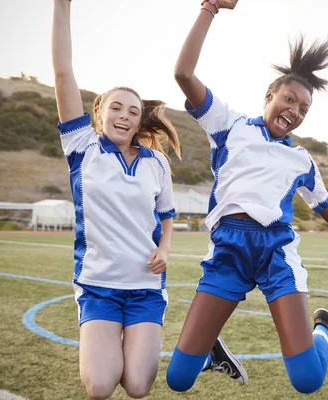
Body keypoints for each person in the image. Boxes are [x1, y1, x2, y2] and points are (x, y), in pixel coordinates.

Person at [165, 0, 328, 395]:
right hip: (228, 251)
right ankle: (210, 350)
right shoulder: (230, 125)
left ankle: (324, 331)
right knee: (178, 379)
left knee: (308, 381)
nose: (294, 110)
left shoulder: (302, 160)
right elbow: (183, 72)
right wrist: (210, 8)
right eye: (289, 99)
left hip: (276, 252)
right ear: (270, 93)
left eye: (304, 108)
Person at [51, 1, 242, 398]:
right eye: (116, 107)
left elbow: (166, 215)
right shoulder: (81, 147)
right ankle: (106, 346)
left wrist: (165, 248)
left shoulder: (156, 162)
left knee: (138, 386)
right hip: (98, 286)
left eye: (133, 112)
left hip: (145, 287)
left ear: (140, 121)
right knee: (101, 386)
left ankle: (200, 352)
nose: (124, 116)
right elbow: (62, 71)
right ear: (100, 112)